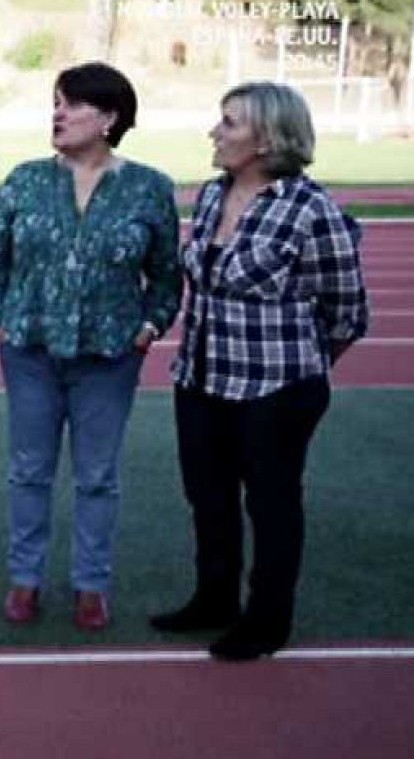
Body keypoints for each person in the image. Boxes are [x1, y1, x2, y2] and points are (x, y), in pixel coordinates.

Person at [154, 82, 367, 660]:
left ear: (268, 137)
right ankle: (214, 598)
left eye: (228, 123)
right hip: (201, 380)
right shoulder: (209, 196)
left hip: (277, 388)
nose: (214, 132)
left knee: (271, 504)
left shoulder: (311, 209)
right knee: (209, 496)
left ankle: (267, 620)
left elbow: (346, 310)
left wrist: (302, 371)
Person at [0, 61, 181, 631]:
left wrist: (147, 328)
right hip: (31, 352)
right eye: (55, 102)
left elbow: (166, 274)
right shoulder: (25, 179)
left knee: (97, 475)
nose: (58, 113)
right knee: (29, 470)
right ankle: (26, 579)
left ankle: (91, 585)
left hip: (109, 357)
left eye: (72, 104)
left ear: (110, 117)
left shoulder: (149, 187)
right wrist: (1, 320)